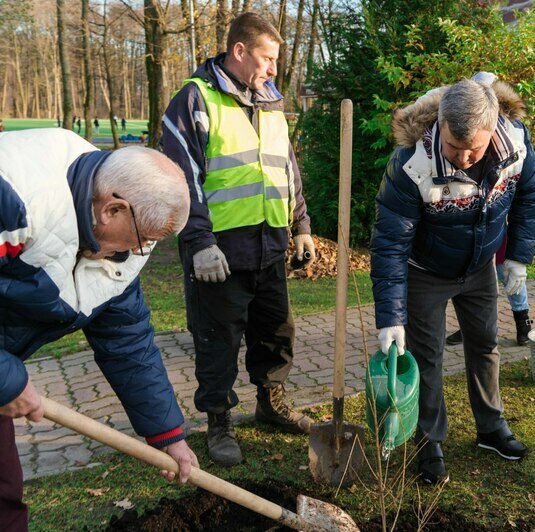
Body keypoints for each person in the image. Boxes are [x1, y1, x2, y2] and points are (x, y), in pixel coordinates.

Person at [0, 128, 199, 531]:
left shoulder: (123, 240)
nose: (141, 252)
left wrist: (168, 435)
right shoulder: (17, 196)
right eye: (143, 240)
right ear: (113, 209)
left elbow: (126, 337)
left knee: (4, 497)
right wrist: (5, 379)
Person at [371, 74, 535, 485]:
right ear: (440, 126)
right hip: (425, 272)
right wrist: (390, 316)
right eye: (454, 146)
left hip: (479, 268)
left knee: (485, 345)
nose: (464, 157)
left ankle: (490, 427)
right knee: (426, 356)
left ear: (494, 126)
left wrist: (518, 257)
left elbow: (530, 195)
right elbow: (391, 243)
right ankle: (429, 441)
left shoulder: (516, 144)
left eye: (475, 148)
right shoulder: (412, 164)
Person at [160, 12, 316, 468]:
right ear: (240, 51)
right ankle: (219, 423)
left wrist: (301, 225)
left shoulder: (269, 101)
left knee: (275, 332)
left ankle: (271, 403)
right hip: (219, 255)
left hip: (269, 246)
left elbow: (287, 168)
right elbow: (180, 180)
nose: (272, 70)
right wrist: (199, 242)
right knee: (218, 341)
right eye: (266, 59)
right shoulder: (194, 100)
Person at [447, 236, 534, 346]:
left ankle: (523, 323)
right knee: (473, 285)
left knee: (512, 279)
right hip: (475, 239)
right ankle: (471, 327)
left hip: (501, 233)